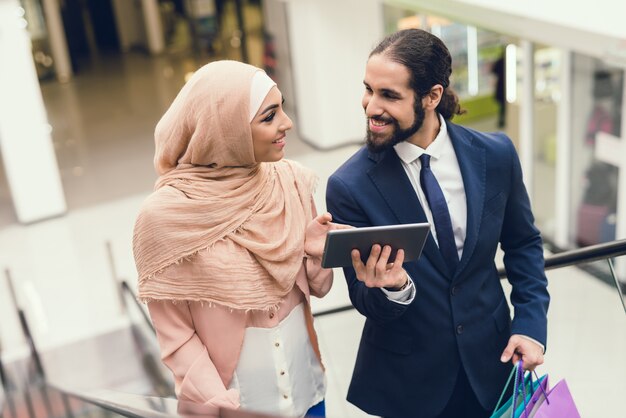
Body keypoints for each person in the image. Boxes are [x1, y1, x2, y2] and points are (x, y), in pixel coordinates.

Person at [325, 29, 550, 418]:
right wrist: (392, 288)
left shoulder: (495, 155)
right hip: (411, 386)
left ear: (432, 97)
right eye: (368, 89)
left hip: (494, 364)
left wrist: (530, 325)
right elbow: (364, 299)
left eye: (389, 95)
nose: (370, 107)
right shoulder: (349, 186)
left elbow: (524, 244)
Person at [133, 60, 344, 418]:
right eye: (269, 116)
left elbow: (318, 289)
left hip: (307, 394)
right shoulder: (164, 219)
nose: (287, 124)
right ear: (222, 130)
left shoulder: (290, 183)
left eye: (282, 109)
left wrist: (315, 255)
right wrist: (220, 404)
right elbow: (177, 336)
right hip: (235, 406)